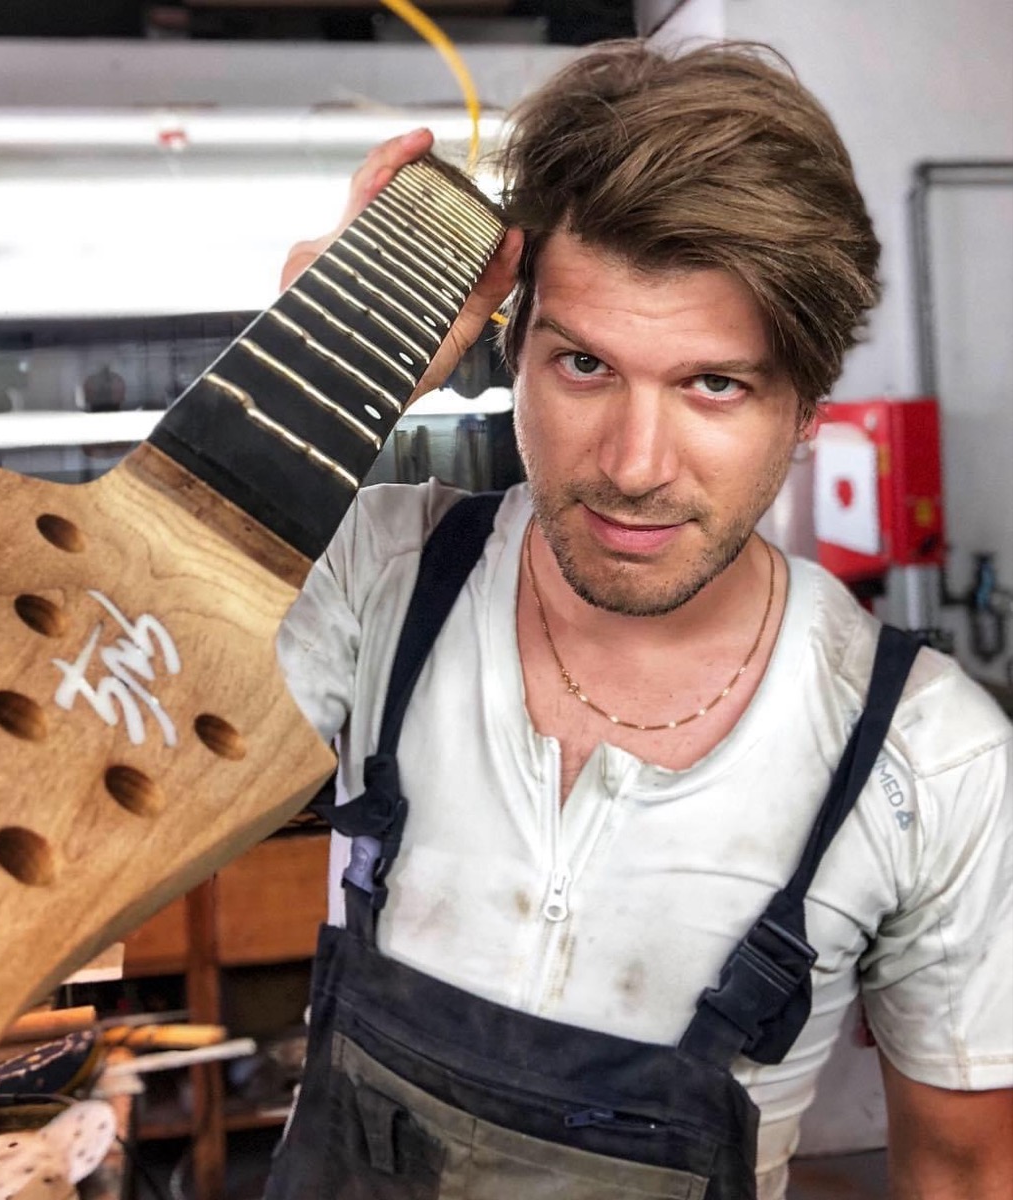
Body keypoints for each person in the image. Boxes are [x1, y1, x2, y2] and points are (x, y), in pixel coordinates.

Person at [270, 39, 1012, 1200]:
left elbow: (964, 1173)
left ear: (805, 408)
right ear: (509, 353)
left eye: (713, 383)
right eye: (582, 365)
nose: (631, 465)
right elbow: (65, 777)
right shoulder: (375, 569)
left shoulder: (929, 761)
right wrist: (308, 393)